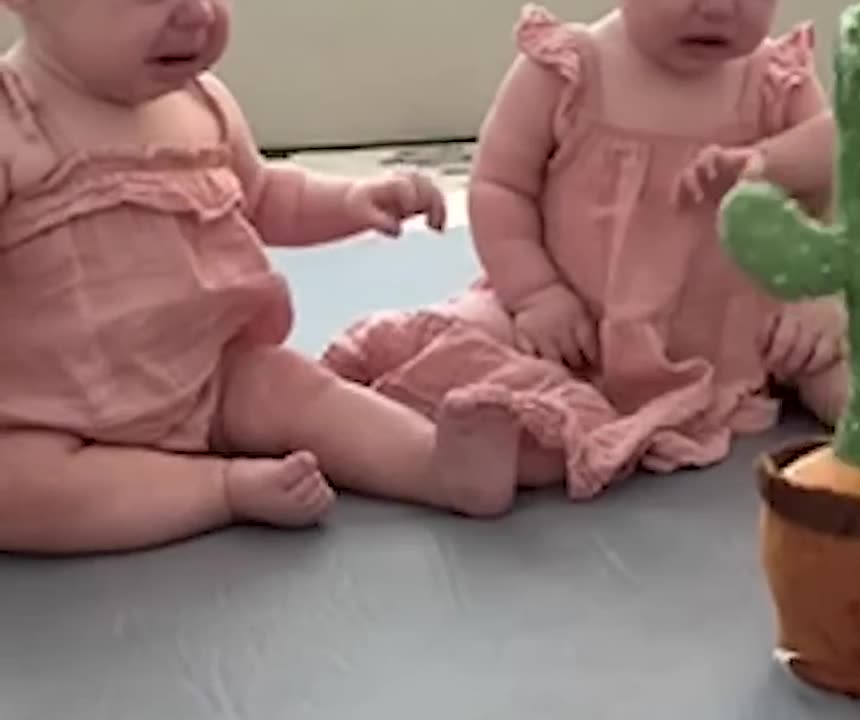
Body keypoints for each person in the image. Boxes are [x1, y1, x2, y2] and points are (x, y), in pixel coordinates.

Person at [322, 0, 860, 518]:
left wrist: (817, 298)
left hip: (741, 327)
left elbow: (827, 189)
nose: (715, 7)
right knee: (477, 333)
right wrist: (535, 293)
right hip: (578, 322)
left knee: (836, 355)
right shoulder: (567, 69)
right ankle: (494, 443)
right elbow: (502, 187)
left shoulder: (776, 80)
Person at [0, 0, 516, 555]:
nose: (197, 14)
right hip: (53, 413)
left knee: (299, 390)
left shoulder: (202, 104)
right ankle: (219, 490)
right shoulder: (13, 123)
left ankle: (431, 465)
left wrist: (349, 201)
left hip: (212, 377)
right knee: (17, 491)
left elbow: (264, 196)